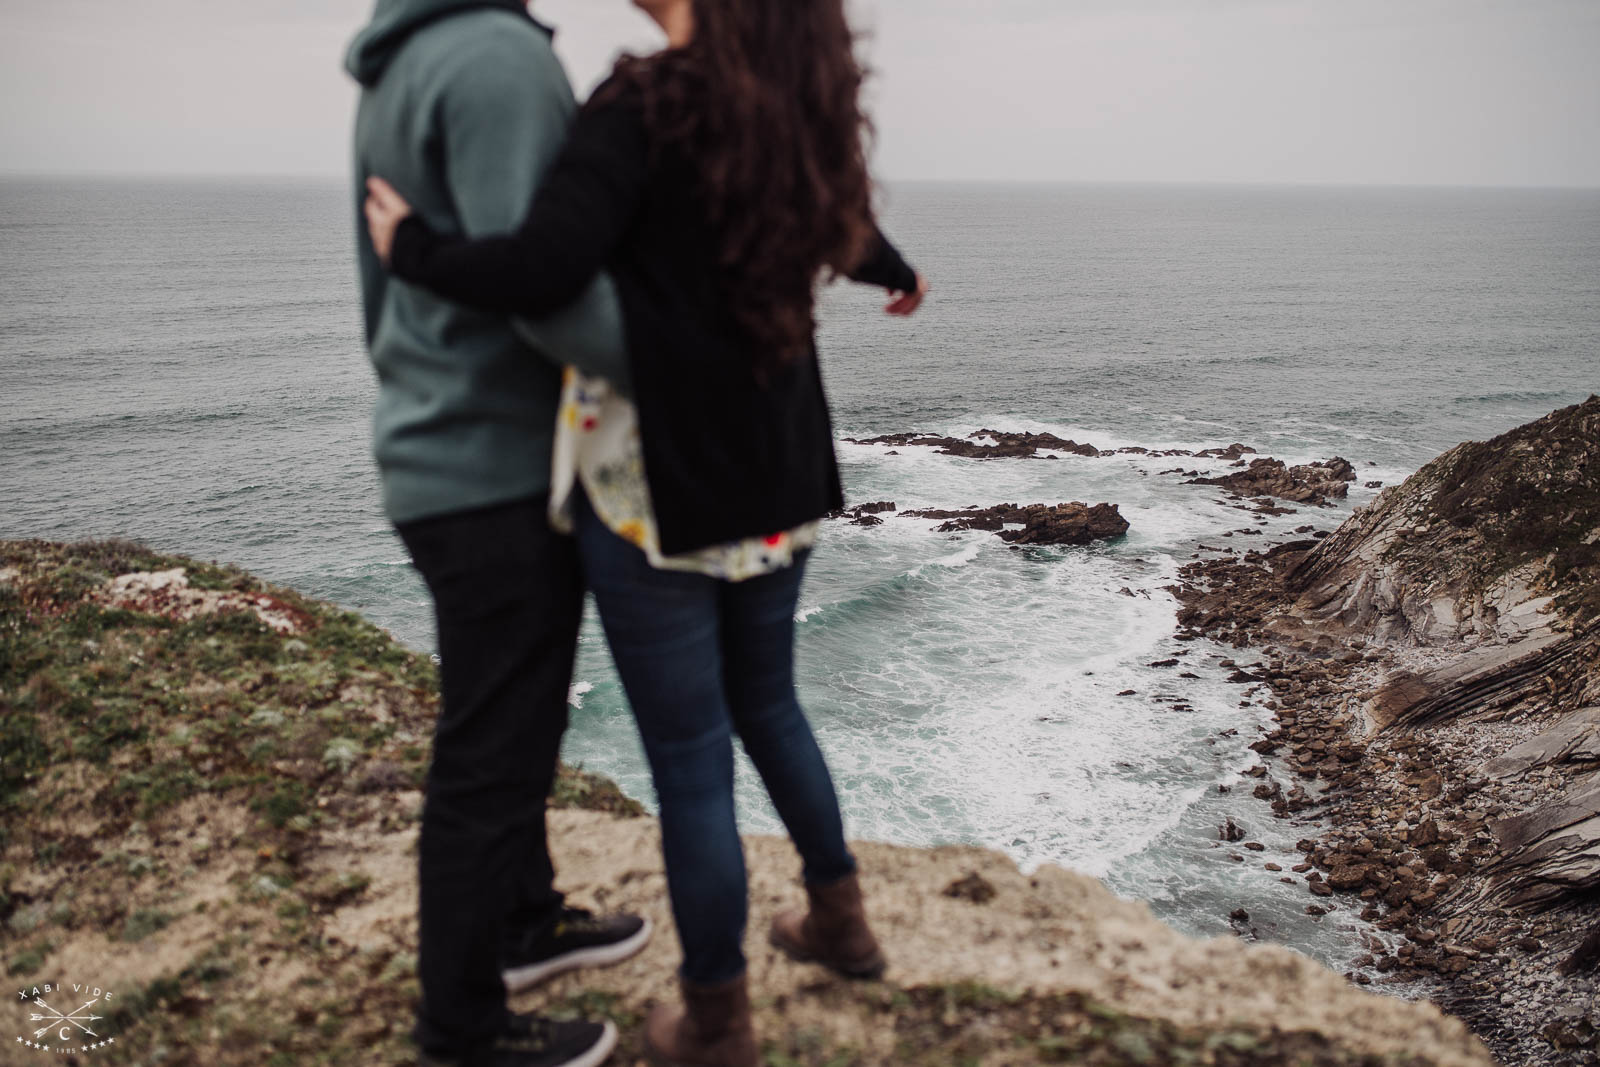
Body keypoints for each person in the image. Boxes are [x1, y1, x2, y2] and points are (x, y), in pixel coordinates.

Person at [361, 0, 928, 1062]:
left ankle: (716, 1016)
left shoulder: (644, 102)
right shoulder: (795, 104)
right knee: (770, 701)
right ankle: (840, 922)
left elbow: (540, 269)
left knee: (689, 759)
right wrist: (894, 269)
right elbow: (832, 222)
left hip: (654, 481)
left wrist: (417, 246)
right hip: (779, 463)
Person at [345, 3, 655, 1066]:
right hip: (492, 459)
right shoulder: (497, 58)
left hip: (440, 443)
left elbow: (401, 282)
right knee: (491, 747)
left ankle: (525, 923)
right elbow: (551, 290)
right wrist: (690, 352)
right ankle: (460, 1022)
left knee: (512, 721)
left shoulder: (407, 61)